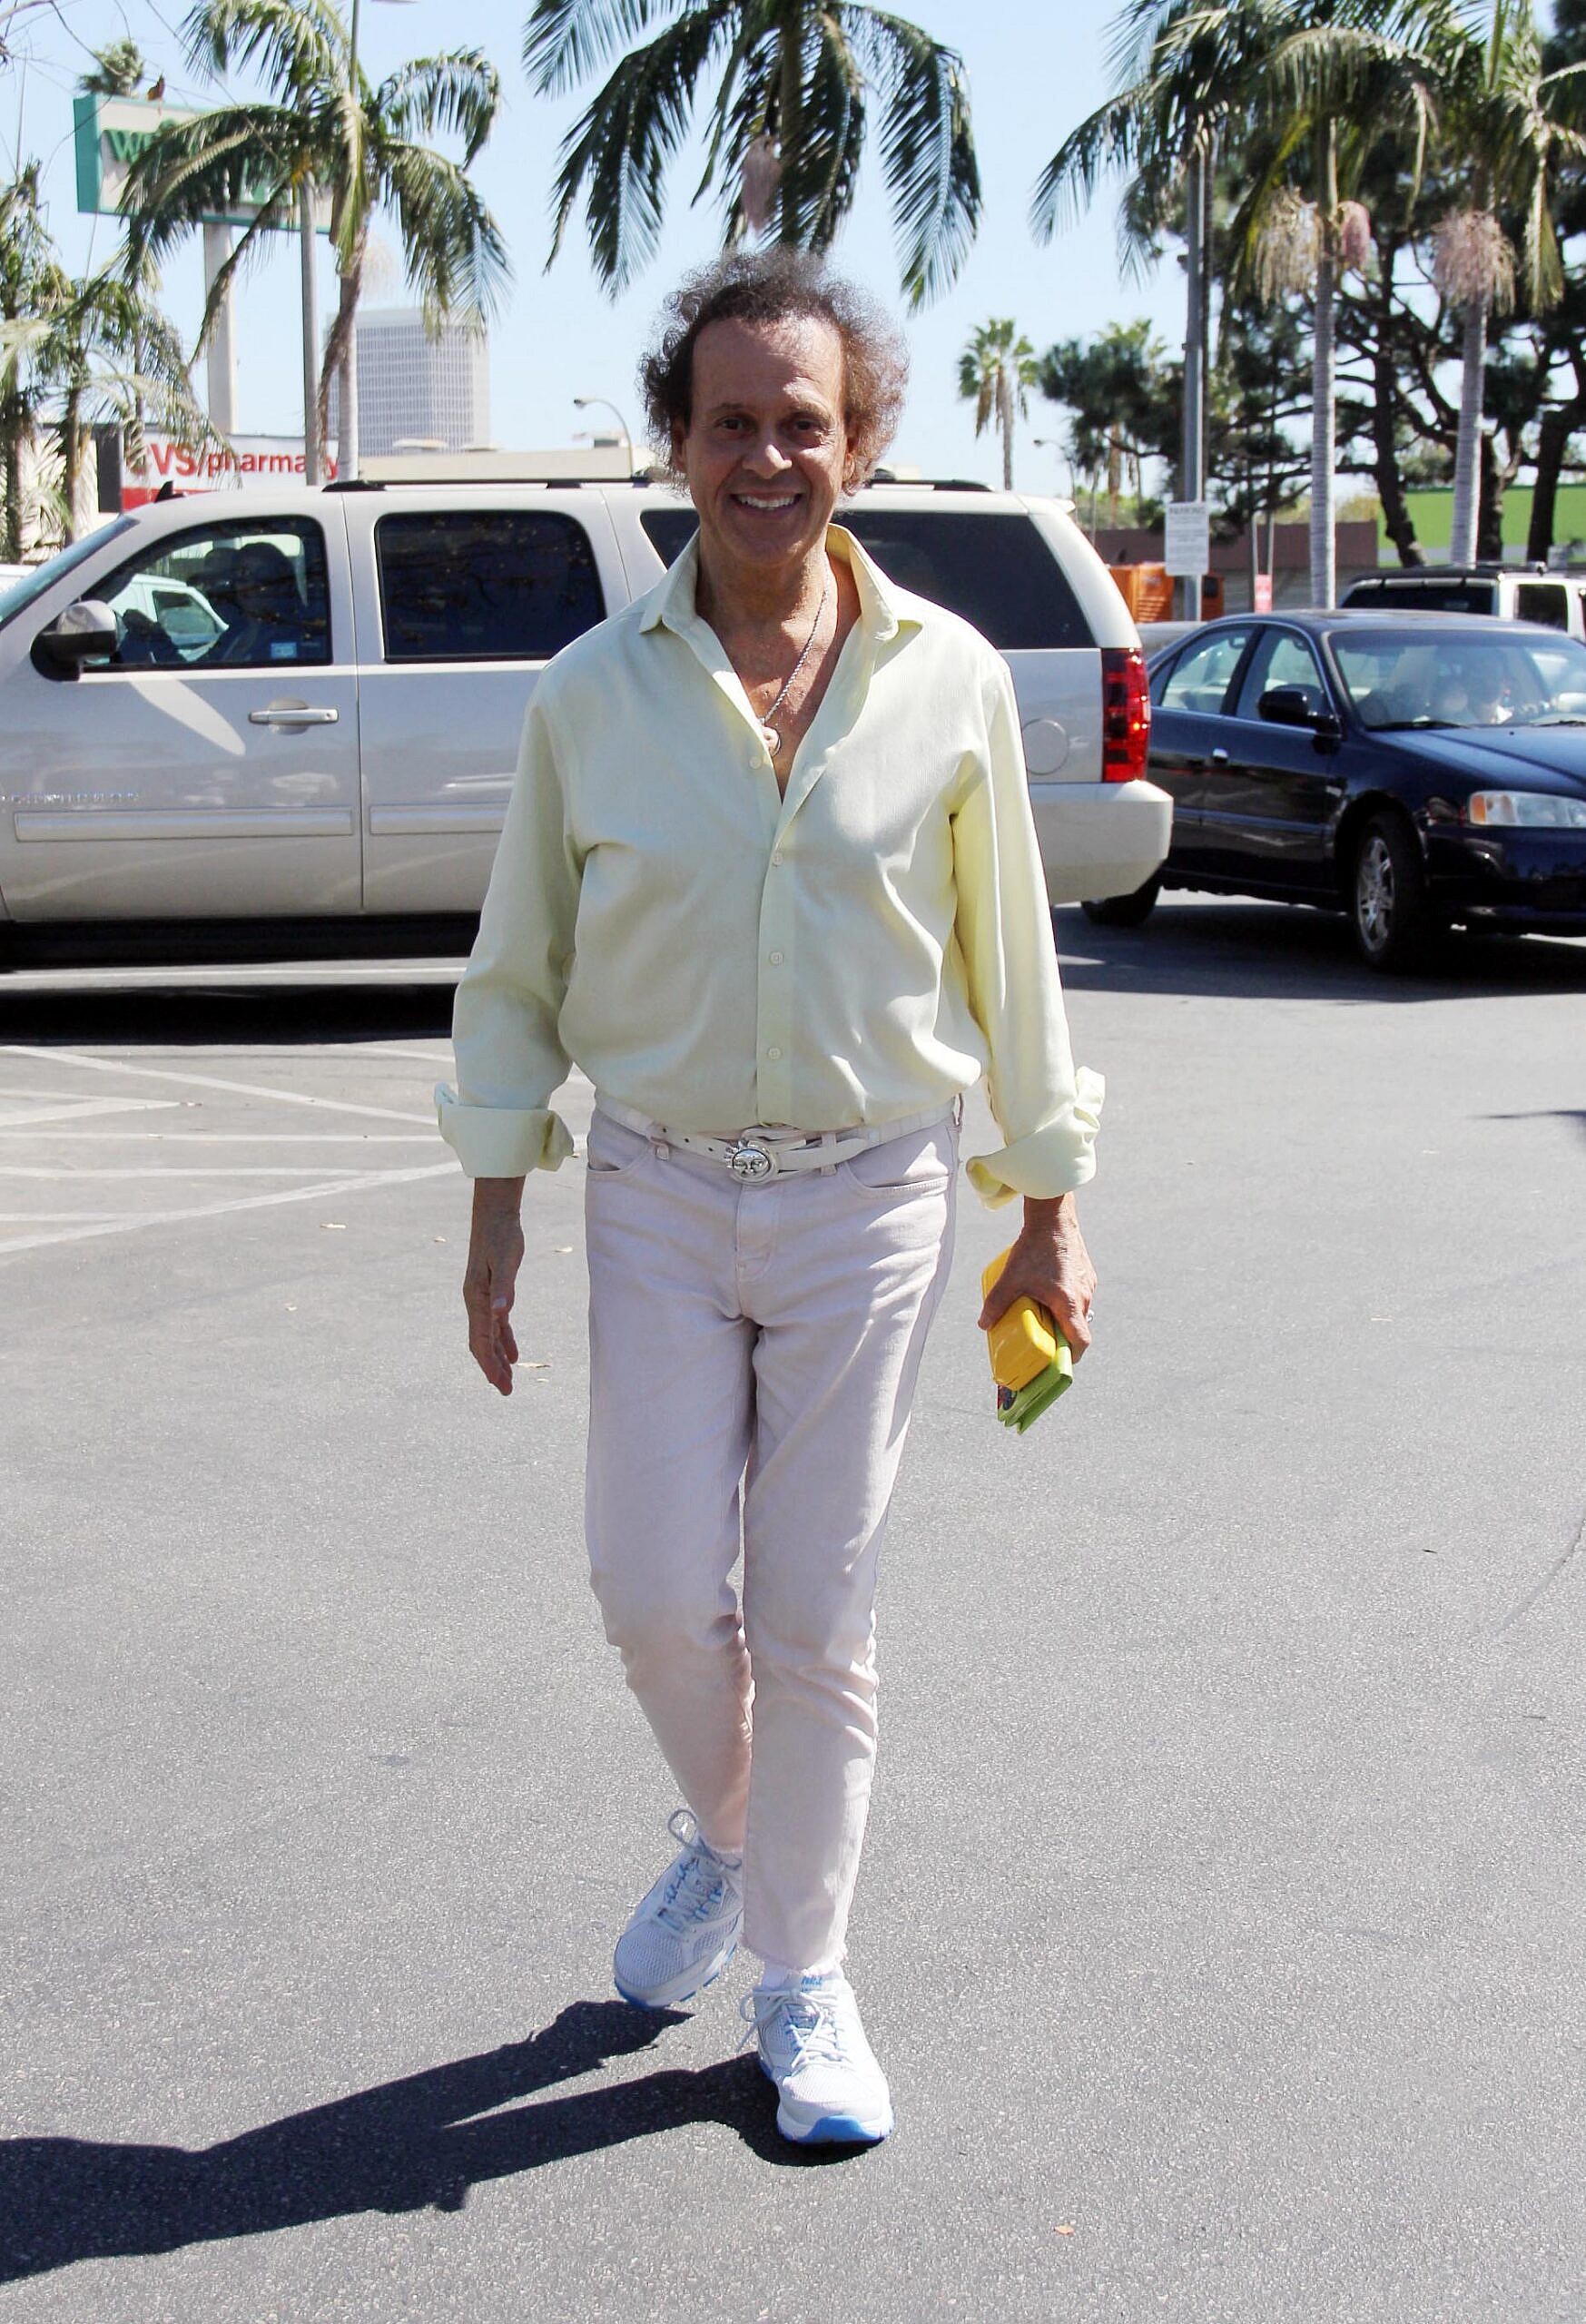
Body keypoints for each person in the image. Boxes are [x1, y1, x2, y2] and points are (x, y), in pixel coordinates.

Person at [437, 251, 1101, 2150]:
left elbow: (1011, 962)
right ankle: (735, 1839)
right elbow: (516, 968)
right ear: (677, 443)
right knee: (652, 1588)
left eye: (801, 421)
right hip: (651, 1185)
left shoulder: (947, 680)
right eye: (730, 421)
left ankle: (805, 1976)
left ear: (858, 444)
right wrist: (494, 1199)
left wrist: (1045, 1197)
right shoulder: (590, 693)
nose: (765, 456)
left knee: (815, 1611)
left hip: (870, 1198)